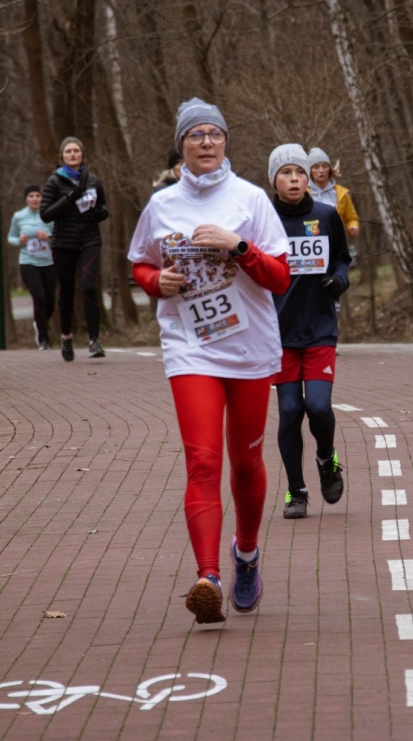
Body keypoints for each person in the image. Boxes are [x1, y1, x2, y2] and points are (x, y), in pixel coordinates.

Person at [128, 98, 291, 625]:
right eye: (194, 135)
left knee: (245, 463)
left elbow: (280, 278)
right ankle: (208, 577)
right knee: (203, 461)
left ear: (225, 142)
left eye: (213, 134)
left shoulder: (250, 200)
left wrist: (239, 246)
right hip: (189, 346)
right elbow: (140, 264)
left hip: (248, 347)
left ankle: (245, 555)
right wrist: (159, 282)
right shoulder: (161, 205)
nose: (205, 142)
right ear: (181, 145)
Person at [266, 143, 351, 519]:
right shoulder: (262, 220)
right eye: (286, 173)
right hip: (278, 333)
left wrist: (338, 280)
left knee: (318, 406)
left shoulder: (326, 214)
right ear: (274, 181)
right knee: (289, 412)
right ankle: (295, 491)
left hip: (319, 328)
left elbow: (344, 260)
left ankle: (326, 459)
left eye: (299, 172)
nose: (295, 179)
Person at [40, 136, 109, 362]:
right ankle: (67, 336)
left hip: (89, 240)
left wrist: (101, 213)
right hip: (63, 244)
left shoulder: (93, 180)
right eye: (68, 151)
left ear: (82, 155)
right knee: (67, 291)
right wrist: (71, 197)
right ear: (62, 156)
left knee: (89, 287)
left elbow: (102, 207)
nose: (72, 155)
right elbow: (46, 213)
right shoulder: (54, 182)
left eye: (76, 151)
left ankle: (94, 341)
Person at [8, 185, 56, 349]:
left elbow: (59, 237)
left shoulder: (49, 215)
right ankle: (43, 339)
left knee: (50, 303)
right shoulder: (19, 216)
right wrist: (19, 242)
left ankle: (39, 323)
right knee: (39, 297)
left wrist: (48, 237)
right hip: (28, 262)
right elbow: (11, 237)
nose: (35, 199)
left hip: (49, 262)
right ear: (26, 199)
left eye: (37, 196)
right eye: (31, 196)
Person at [307, 148, 360, 241]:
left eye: (325, 166)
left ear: (330, 169)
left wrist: (353, 227)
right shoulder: (303, 193)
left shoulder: (341, 193)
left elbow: (351, 218)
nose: (321, 170)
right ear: (310, 171)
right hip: (312, 242)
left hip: (335, 240)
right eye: (316, 167)